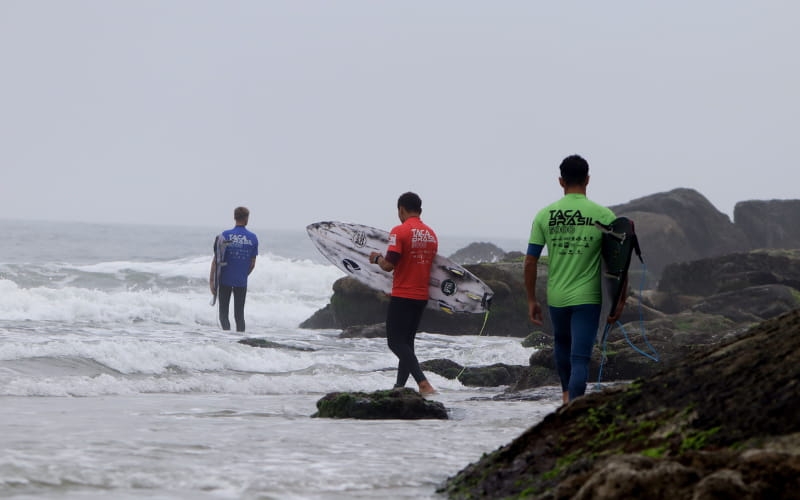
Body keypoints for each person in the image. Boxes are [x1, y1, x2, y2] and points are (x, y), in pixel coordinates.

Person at [524, 155, 616, 404]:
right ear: (587, 179)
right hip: (587, 298)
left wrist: (531, 299)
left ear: (560, 181)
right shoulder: (604, 216)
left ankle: (566, 399)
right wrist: (619, 301)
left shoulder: (545, 215)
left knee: (562, 348)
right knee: (580, 358)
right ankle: (572, 407)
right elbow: (618, 265)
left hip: (557, 296)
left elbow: (530, 261)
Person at [369, 192, 438, 395]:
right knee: (407, 344)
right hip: (421, 296)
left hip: (403, 294)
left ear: (401, 209)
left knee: (395, 342)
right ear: (420, 211)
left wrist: (376, 259)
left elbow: (389, 264)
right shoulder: (431, 235)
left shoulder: (399, 231)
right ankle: (399, 387)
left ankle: (423, 383)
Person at [210, 206, 259, 332]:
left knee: (223, 314)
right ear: (246, 218)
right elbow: (252, 264)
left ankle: (227, 339)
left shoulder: (225, 236)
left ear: (234, 217)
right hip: (241, 281)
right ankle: (240, 343)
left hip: (225, 280)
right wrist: (242, 274)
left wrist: (212, 282)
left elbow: (217, 259)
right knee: (239, 315)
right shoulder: (252, 238)